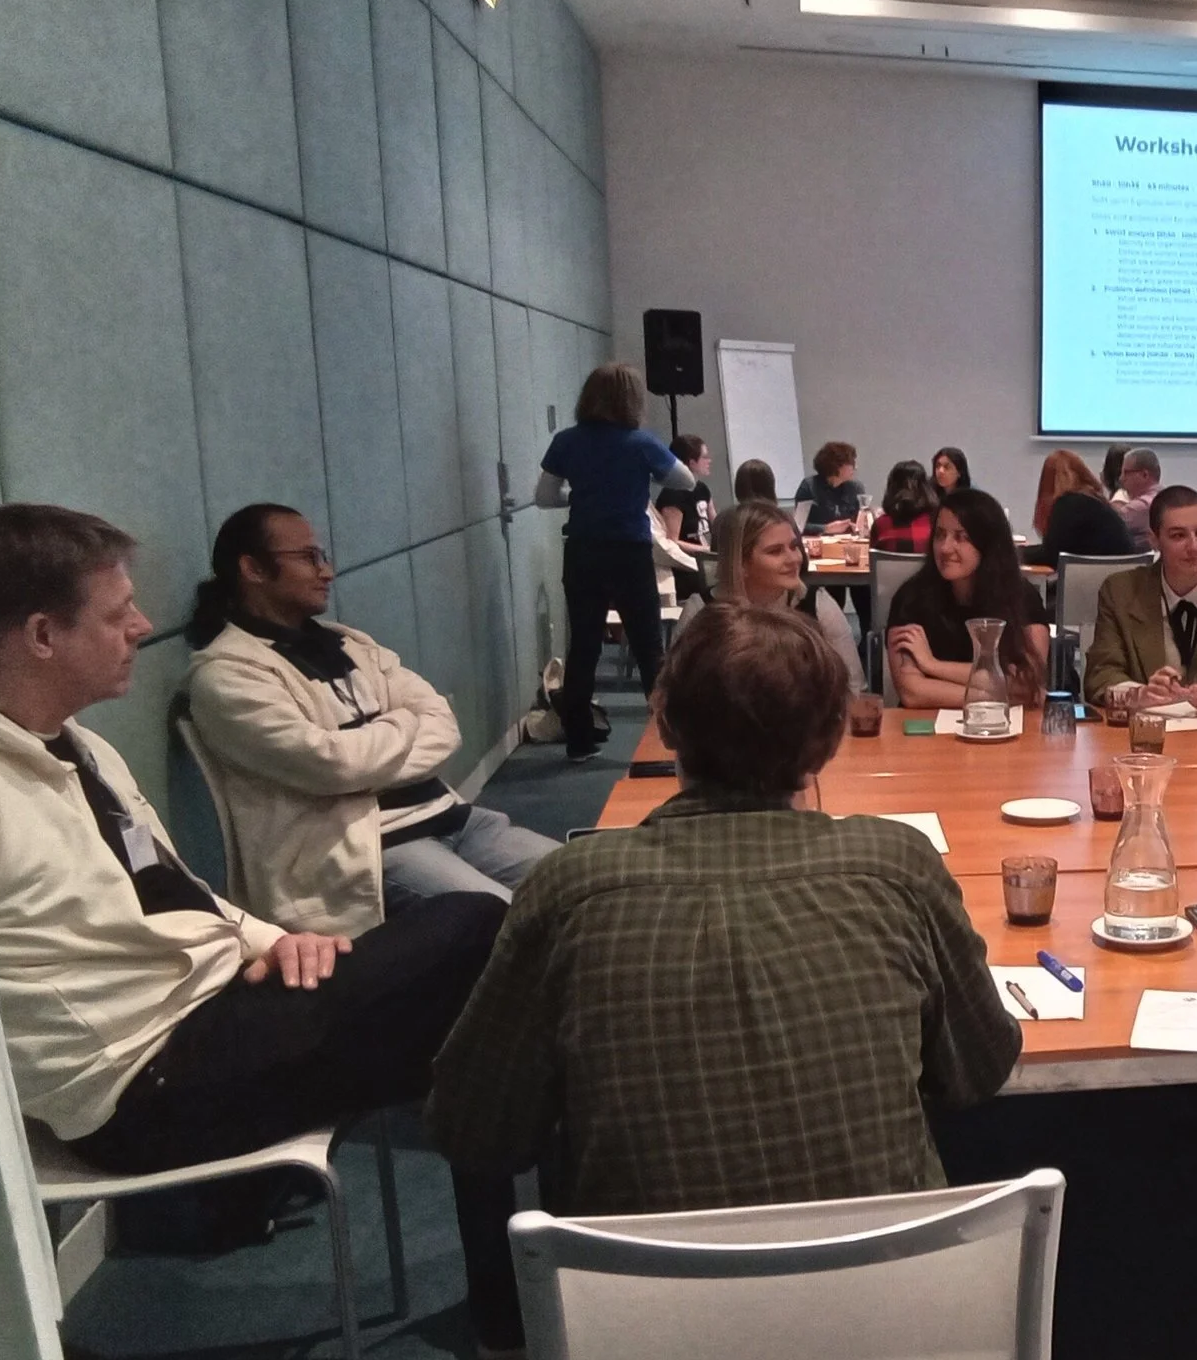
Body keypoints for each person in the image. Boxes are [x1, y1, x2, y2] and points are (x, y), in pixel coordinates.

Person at [0, 505, 515, 1338]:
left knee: (474, 1021)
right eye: (117, 613)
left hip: (217, 1009)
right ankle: (523, 1290)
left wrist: (273, 941)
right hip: (143, 1084)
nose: (143, 625)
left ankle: (511, 1300)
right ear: (42, 635)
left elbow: (176, 890)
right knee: (479, 938)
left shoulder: (73, 745)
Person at [427, 599, 1020, 1223]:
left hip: (638, 1284)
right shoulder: (899, 866)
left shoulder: (569, 889)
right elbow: (981, 1067)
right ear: (828, 744)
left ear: (665, 724)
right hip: (893, 1277)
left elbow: (474, 1129)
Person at [183, 504, 559, 935]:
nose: (327, 572)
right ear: (252, 569)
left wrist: (367, 747)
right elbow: (334, 764)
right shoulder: (227, 675)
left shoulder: (349, 643)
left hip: (453, 817)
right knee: (519, 926)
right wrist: (402, 723)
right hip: (369, 851)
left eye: (323, 557)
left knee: (590, 876)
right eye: (309, 558)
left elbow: (443, 725)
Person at [532, 362, 697, 761]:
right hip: (629, 553)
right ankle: (666, 740)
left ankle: (578, 742)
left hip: (583, 552)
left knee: (584, 646)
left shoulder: (567, 441)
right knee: (649, 648)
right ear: (632, 400)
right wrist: (635, 483)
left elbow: (544, 497)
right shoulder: (641, 443)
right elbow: (686, 481)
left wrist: (583, 495)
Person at [1082, 486, 1197, 714]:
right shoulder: (1120, 591)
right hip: (1145, 727)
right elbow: (1100, 674)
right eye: (1178, 536)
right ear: (1154, 540)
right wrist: (1139, 694)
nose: (1194, 547)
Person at [884, 488, 1051, 708]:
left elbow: (1027, 683)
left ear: (987, 544)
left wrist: (932, 665)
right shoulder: (911, 598)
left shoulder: (1022, 597)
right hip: (926, 725)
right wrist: (1001, 692)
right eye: (940, 535)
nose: (945, 548)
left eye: (961, 537)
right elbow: (913, 693)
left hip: (1004, 725)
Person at [713, 499, 864, 691]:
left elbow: (852, 686)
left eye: (794, 546)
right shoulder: (702, 610)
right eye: (775, 551)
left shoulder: (818, 604)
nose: (794, 559)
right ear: (740, 563)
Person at [1026, 448, 1134, 566]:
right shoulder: (1094, 501)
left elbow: (1051, 556)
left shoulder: (1067, 504)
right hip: (1118, 570)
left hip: (1099, 574)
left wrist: (1016, 554)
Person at [655, 434, 716, 607]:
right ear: (691, 462)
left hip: (706, 561)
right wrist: (707, 550)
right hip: (686, 567)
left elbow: (716, 524)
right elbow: (672, 542)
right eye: (704, 457)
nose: (709, 461)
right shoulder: (673, 495)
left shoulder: (702, 489)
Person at [870, 457, 940, 553]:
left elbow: (873, 559)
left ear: (891, 489)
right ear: (925, 488)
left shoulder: (881, 525)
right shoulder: (936, 523)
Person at [797, 440, 865, 535]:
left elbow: (861, 521)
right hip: (817, 541)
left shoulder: (856, 488)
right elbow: (798, 526)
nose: (856, 467)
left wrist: (859, 526)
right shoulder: (809, 486)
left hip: (848, 540)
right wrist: (824, 528)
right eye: (852, 463)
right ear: (837, 466)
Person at [1113, 446, 1163, 548]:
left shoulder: (1143, 506)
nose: (1121, 478)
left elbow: (1103, 525)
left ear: (1144, 475)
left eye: (1126, 473)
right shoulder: (1164, 496)